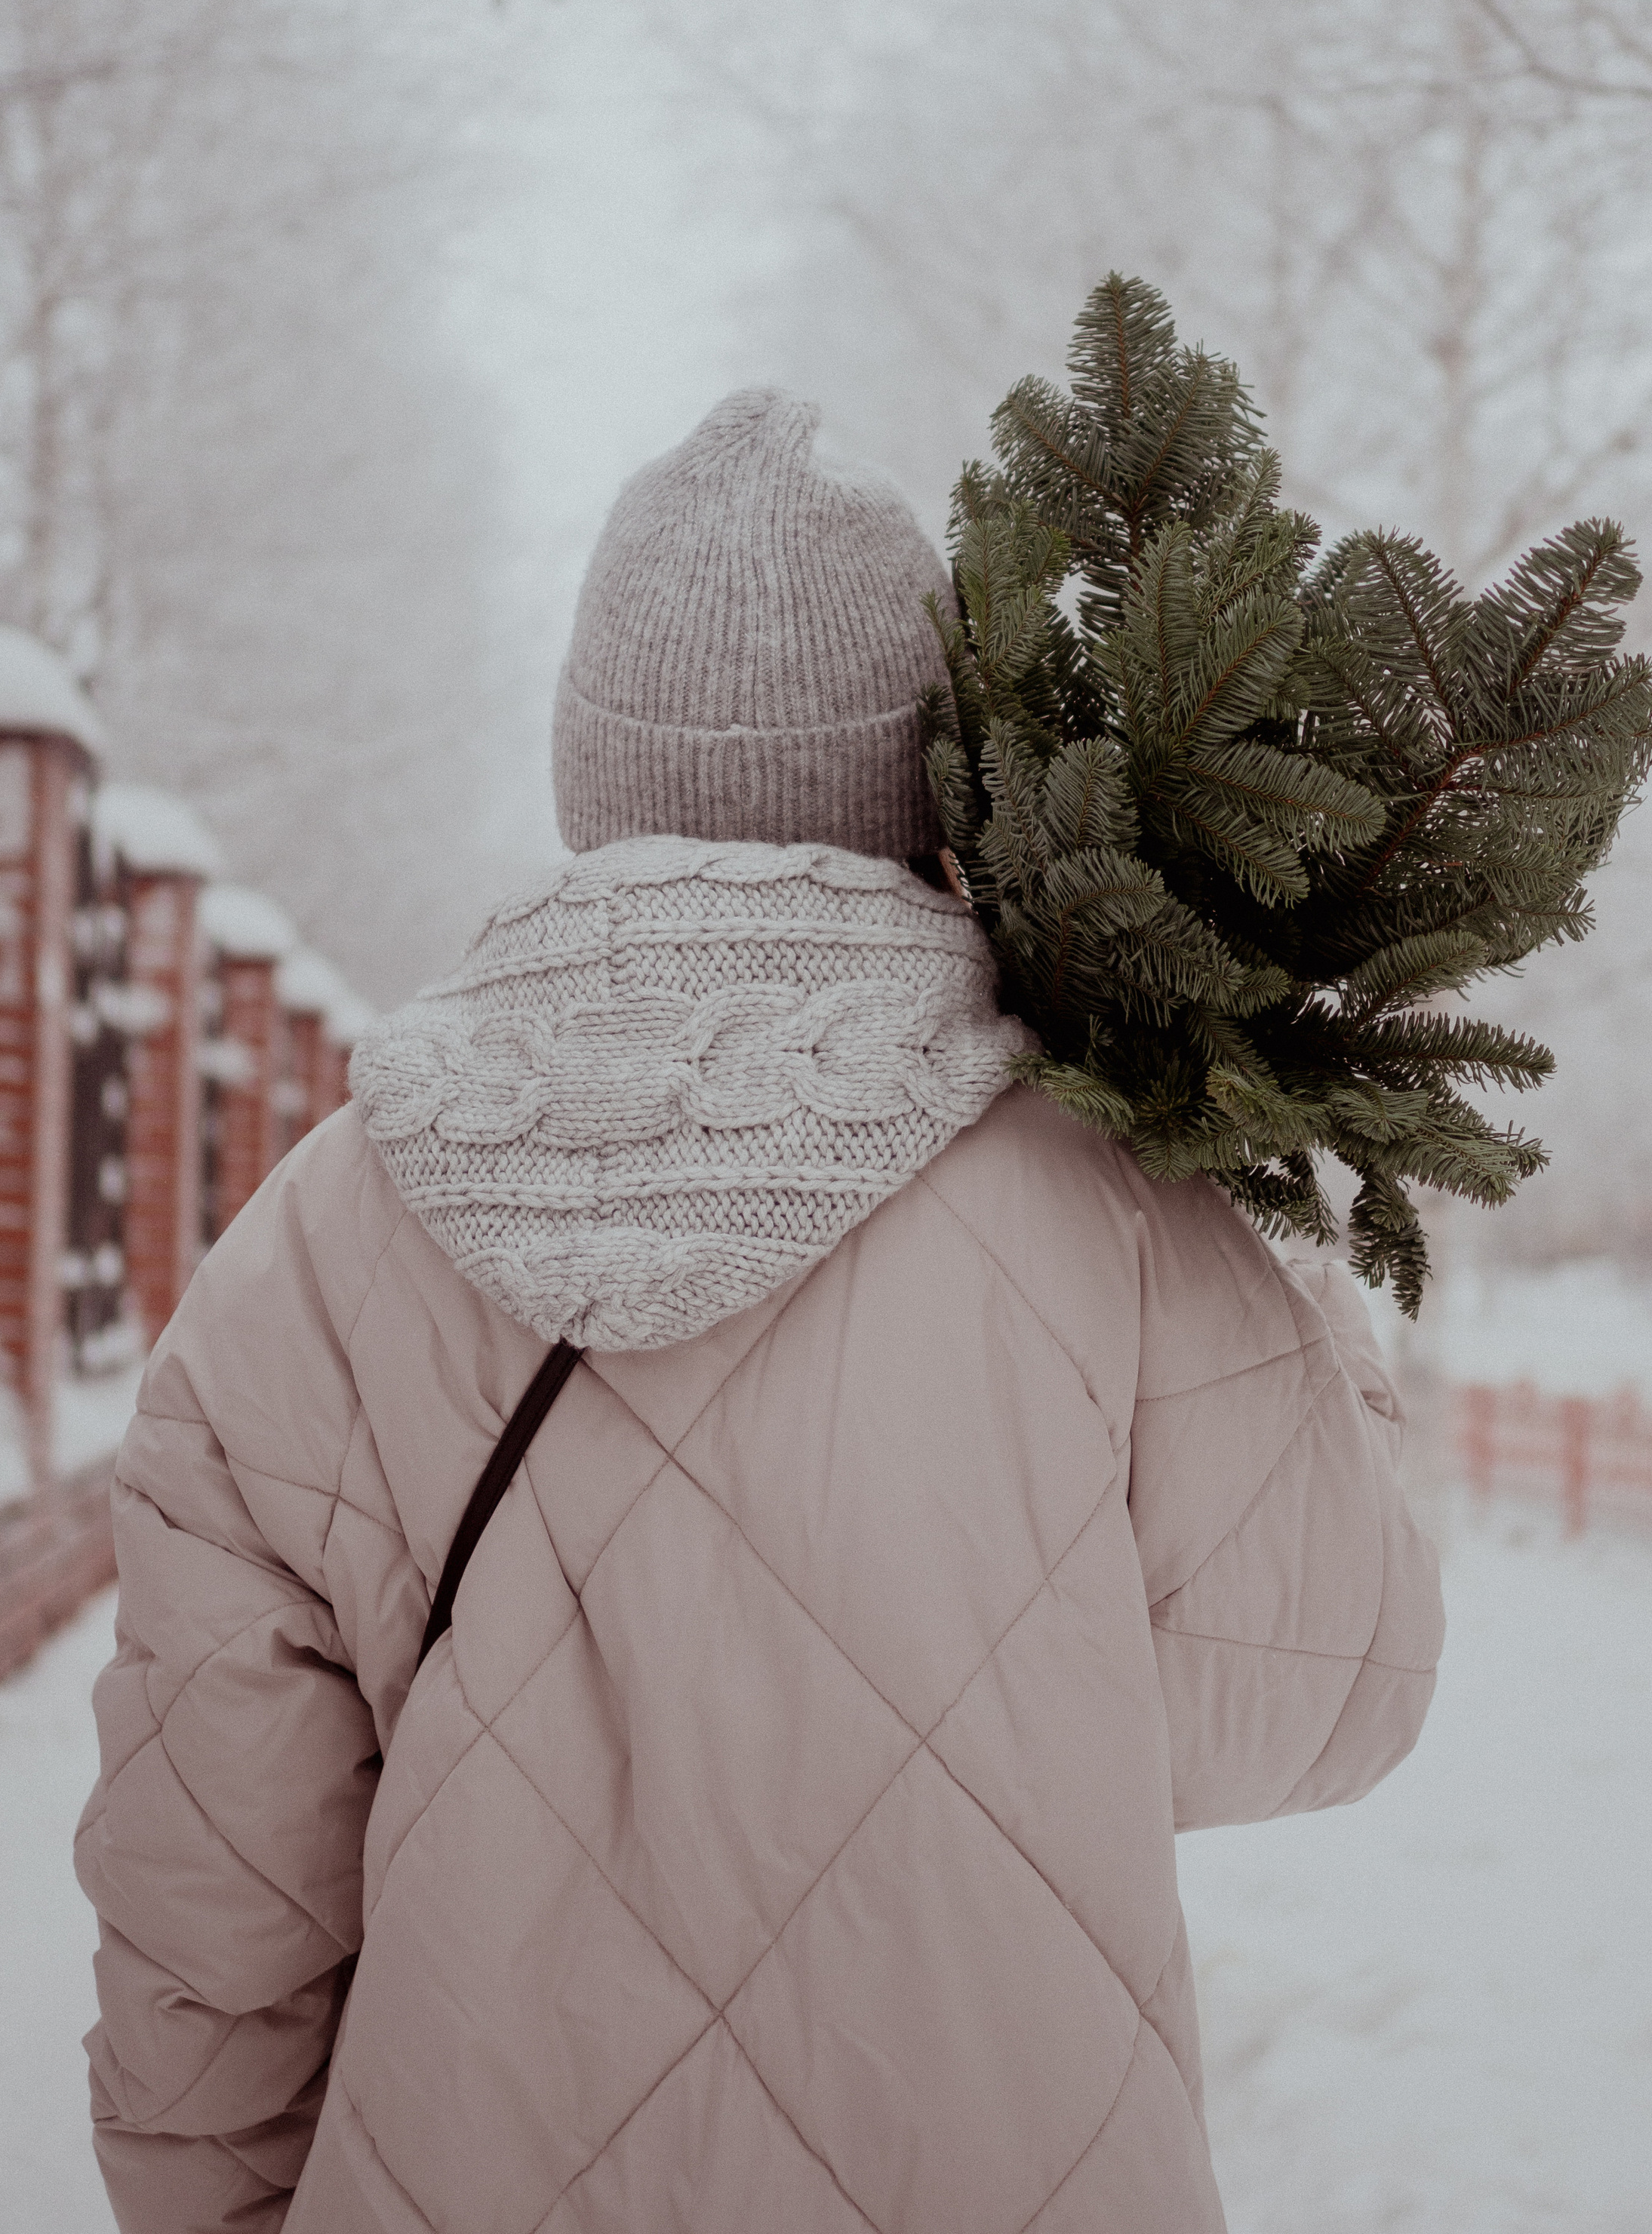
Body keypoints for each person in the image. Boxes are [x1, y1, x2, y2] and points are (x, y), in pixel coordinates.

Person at [78, 389, 1443, 2233]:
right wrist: (1284, 1253)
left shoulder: (318, 1237)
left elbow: (212, 1873)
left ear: (589, 767)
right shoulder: (1117, 1197)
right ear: (922, 783)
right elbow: (1320, 1702)